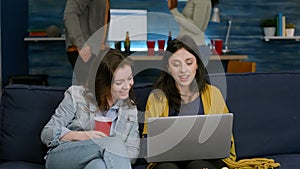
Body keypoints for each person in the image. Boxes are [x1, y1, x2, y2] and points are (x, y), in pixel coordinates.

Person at [142, 35, 236, 169]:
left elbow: (226, 139)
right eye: (176, 64)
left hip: (206, 159)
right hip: (167, 161)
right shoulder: (157, 97)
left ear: (197, 64)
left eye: (189, 62)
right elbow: (147, 139)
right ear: (168, 67)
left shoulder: (213, 93)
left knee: (197, 165)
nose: (183, 70)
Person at [41, 48, 140, 169]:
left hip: (102, 162)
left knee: (98, 166)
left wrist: (106, 153)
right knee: (113, 143)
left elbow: (133, 152)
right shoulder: (76, 96)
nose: (127, 86)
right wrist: (83, 136)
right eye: (119, 82)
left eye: (129, 78)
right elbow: (47, 133)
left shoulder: (130, 109)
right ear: (103, 83)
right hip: (63, 158)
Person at [63, 0, 110, 84]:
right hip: (83, 52)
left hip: (93, 52)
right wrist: (81, 45)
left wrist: (101, 43)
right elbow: (69, 15)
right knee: (86, 93)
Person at [167, 0, 219, 66]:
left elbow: (196, 28)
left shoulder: (201, 1)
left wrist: (174, 11)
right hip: (188, 47)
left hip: (194, 48)